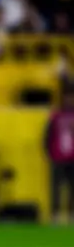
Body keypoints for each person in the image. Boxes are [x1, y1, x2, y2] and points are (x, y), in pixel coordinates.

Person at [46, 89, 74, 224]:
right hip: (58, 157)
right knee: (55, 188)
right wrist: (49, 153)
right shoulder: (55, 116)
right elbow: (47, 135)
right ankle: (55, 215)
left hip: (72, 158)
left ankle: (70, 214)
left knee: (72, 188)